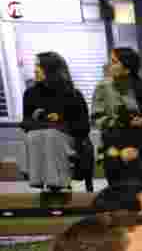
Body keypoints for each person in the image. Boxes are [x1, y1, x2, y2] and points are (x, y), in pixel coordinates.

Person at [92, 47, 142, 187]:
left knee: (141, 175)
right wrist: (115, 122)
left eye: (114, 62)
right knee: (115, 168)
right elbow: (95, 118)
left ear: (127, 69)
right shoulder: (103, 87)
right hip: (113, 143)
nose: (108, 65)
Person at [18, 51, 90, 192]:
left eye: (39, 65)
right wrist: (38, 119)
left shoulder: (73, 95)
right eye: (35, 65)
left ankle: (58, 183)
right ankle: (42, 182)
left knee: (51, 134)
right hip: (40, 134)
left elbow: (83, 127)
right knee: (34, 136)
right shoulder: (30, 94)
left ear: (51, 70)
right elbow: (25, 123)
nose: (35, 69)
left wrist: (61, 120)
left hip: (68, 139)